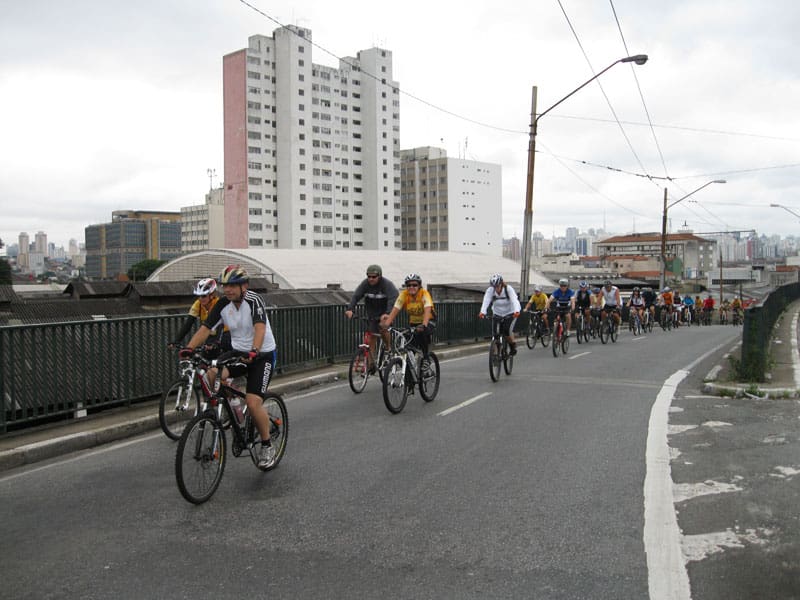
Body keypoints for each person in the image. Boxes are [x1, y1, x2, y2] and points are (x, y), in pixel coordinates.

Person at [180, 265, 278, 468]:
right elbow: (206, 328)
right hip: (237, 353)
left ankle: (267, 445)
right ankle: (231, 408)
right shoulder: (223, 304)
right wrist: (189, 348)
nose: (228, 290)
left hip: (262, 355)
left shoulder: (254, 300)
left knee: (253, 402)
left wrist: (255, 350)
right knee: (211, 373)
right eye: (225, 286)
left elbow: (260, 328)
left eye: (233, 285)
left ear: (245, 286)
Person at [344, 264, 398, 371]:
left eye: (374, 277)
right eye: (369, 276)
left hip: (386, 313)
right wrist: (350, 309)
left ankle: (388, 348)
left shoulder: (387, 285)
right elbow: (356, 296)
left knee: (383, 328)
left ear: (380, 276)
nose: (371, 279)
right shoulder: (365, 284)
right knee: (371, 338)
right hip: (372, 314)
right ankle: (370, 364)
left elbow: (393, 298)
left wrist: (387, 313)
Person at [382, 273, 436, 359]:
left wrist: (424, 325)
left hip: (428, 321)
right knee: (410, 344)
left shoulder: (424, 293)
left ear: (419, 286)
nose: (411, 287)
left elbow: (427, 309)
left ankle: (426, 358)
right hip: (413, 322)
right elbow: (395, 309)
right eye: (409, 285)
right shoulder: (404, 294)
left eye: (414, 285)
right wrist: (386, 324)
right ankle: (409, 364)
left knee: (422, 333)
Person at [169, 278, 227, 356]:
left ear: (212, 295)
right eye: (199, 296)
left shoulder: (218, 303)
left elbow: (221, 325)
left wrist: (216, 342)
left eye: (203, 296)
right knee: (201, 359)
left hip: (224, 334)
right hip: (210, 335)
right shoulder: (198, 304)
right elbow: (188, 324)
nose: (200, 299)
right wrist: (176, 341)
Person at [479, 273, 521, 355]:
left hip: (510, 313)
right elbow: (486, 300)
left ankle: (512, 345)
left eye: (497, 286)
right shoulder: (490, 290)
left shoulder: (508, 289)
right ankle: (496, 354)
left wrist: (516, 311)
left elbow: (514, 300)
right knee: (495, 334)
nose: (496, 288)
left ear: (501, 284)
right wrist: (482, 312)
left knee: (506, 331)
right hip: (497, 313)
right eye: (494, 287)